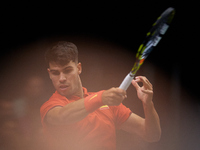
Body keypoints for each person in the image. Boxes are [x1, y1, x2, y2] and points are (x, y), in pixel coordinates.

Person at [40, 41, 161, 150]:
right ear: (49, 74)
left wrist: (148, 104)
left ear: (78, 68)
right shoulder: (50, 107)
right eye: (55, 73)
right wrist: (101, 98)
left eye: (67, 70)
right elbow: (62, 116)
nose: (61, 78)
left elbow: (151, 135)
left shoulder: (106, 103)